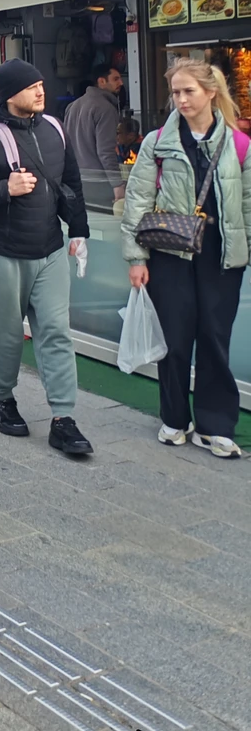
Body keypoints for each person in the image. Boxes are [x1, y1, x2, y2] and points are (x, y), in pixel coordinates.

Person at [0, 58, 93, 457]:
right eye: (32, 87)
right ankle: (3, 401)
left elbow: (70, 184)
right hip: (2, 255)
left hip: (49, 251)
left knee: (56, 333)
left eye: (41, 84)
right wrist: (4, 188)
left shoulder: (55, 129)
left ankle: (63, 419)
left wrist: (79, 231)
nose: (41, 92)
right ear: (10, 96)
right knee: (6, 336)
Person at [122, 59, 250, 459]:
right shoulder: (157, 141)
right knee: (174, 341)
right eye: (175, 92)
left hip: (220, 254)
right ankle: (175, 419)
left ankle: (216, 425)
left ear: (211, 92)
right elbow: (138, 201)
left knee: (215, 338)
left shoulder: (239, 143)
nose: (180, 99)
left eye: (188, 91)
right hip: (169, 253)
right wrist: (136, 257)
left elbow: (248, 202)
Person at [65, 66, 125, 211]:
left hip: (77, 181)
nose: (121, 83)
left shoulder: (72, 106)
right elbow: (106, 151)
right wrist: (117, 184)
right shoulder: (106, 109)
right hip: (99, 183)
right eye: (115, 79)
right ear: (101, 82)